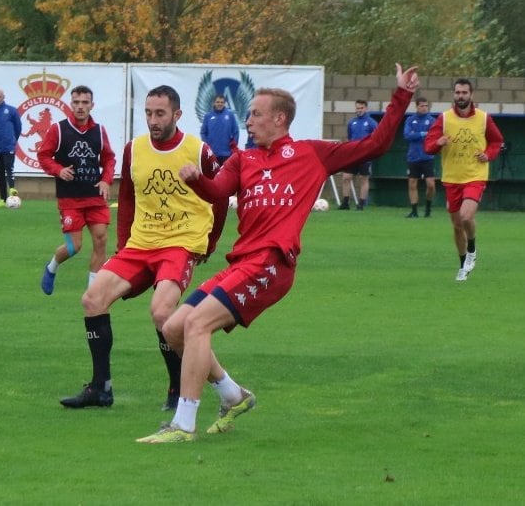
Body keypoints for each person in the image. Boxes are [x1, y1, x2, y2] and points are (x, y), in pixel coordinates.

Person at [136, 63, 420, 443]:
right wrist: (197, 180)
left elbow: (376, 145)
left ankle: (183, 424)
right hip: (242, 262)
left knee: (196, 324)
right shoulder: (243, 159)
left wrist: (401, 95)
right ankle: (233, 395)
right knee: (173, 328)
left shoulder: (311, 154)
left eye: (255, 114)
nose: (248, 121)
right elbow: (218, 192)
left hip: (271, 264)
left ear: (279, 119)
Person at [59, 85, 227, 411]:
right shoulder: (133, 149)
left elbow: (219, 196)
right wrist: (123, 245)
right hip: (140, 244)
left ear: (177, 115)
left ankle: (178, 389)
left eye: (160, 113)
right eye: (148, 113)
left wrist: (211, 240)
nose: (153, 120)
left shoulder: (198, 150)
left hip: (180, 243)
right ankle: (100, 388)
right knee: (92, 299)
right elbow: (127, 198)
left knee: (162, 312)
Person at [37, 85, 116, 295]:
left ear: (92, 105)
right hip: (70, 198)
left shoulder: (99, 131)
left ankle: (92, 291)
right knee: (74, 247)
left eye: (85, 102)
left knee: (101, 239)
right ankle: (52, 266)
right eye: (76, 102)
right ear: (71, 104)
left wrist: (106, 180)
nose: (80, 107)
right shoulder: (58, 130)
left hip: (95, 196)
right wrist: (58, 170)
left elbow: (108, 158)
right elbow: (43, 156)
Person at [425, 78, 503, 282]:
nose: (461, 96)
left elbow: (496, 141)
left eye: (464, 93)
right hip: (452, 177)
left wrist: (489, 154)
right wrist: (438, 143)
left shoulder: (484, 118)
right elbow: (428, 145)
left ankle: (472, 248)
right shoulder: (444, 119)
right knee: (457, 225)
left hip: (475, 175)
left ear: (471, 95)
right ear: (454, 94)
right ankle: (463, 265)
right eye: (458, 93)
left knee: (466, 217)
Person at [339, 99, 378, 210]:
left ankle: (361, 204)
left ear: (365, 108)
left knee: (363, 178)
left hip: (365, 155)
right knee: (346, 177)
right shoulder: (352, 122)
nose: (359, 110)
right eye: (357, 108)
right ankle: (345, 203)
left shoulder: (371, 122)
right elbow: (350, 137)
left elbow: (376, 138)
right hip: (353, 154)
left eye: (361, 108)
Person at [0, 89, 22, 207]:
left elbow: (18, 127)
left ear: (3, 97)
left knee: (9, 167)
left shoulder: (11, 111)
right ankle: (3, 199)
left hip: (8, 145)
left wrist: (12, 140)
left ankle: (12, 189)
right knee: (0, 172)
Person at [403, 97, 436, 218]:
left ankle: (428, 207)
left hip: (428, 156)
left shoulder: (432, 120)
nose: (424, 108)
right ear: (416, 107)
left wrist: (417, 135)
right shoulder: (410, 120)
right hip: (413, 156)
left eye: (426, 106)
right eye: (422, 106)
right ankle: (414, 211)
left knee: (431, 184)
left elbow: (434, 135)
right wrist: (422, 134)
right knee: (412, 183)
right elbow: (407, 135)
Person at [200, 94, 239, 165]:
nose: (220, 104)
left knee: (226, 175)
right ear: (214, 103)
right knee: (213, 175)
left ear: (224, 103)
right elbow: (203, 132)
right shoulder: (208, 116)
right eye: (218, 102)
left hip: (227, 153)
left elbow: (236, 132)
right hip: (212, 153)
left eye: (222, 102)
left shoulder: (230, 115)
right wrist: (206, 146)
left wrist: (234, 146)